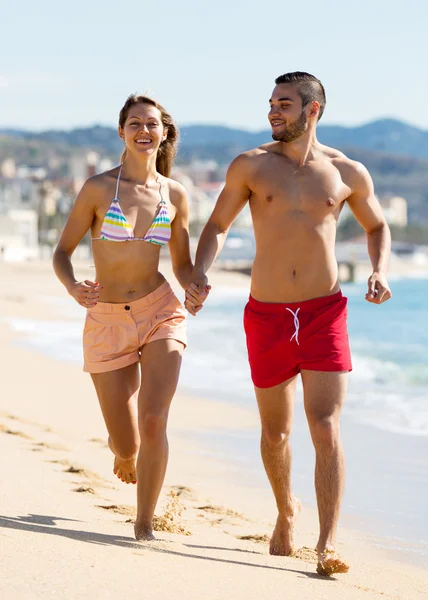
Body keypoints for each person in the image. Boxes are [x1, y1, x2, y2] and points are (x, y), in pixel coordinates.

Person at [185, 72, 392, 575]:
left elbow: (378, 225)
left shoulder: (347, 172)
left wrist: (379, 268)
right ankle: (285, 511)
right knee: (276, 433)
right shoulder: (252, 165)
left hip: (324, 312)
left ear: (313, 110)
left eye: (285, 104)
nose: (274, 112)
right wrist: (198, 271)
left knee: (325, 427)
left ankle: (328, 544)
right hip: (268, 315)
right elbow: (216, 225)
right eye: (271, 104)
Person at [53, 94, 207, 541]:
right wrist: (73, 287)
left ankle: (144, 524)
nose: (144, 130)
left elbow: (180, 264)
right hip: (105, 318)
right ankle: (122, 451)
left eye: (152, 124)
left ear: (164, 133)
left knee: (154, 417)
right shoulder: (99, 188)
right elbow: (62, 252)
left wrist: (194, 284)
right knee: (128, 443)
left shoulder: (175, 193)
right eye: (135, 123)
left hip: (160, 311)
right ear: (122, 132)